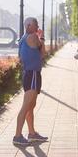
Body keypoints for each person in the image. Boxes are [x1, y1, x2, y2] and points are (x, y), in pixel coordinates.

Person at [13, 17, 48, 146]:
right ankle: (17, 136)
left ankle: (32, 133)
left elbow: (22, 57)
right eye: (36, 24)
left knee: (31, 106)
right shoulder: (32, 37)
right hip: (32, 74)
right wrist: (42, 37)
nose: (38, 27)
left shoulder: (23, 38)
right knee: (26, 106)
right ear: (28, 25)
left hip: (29, 74)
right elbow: (43, 52)